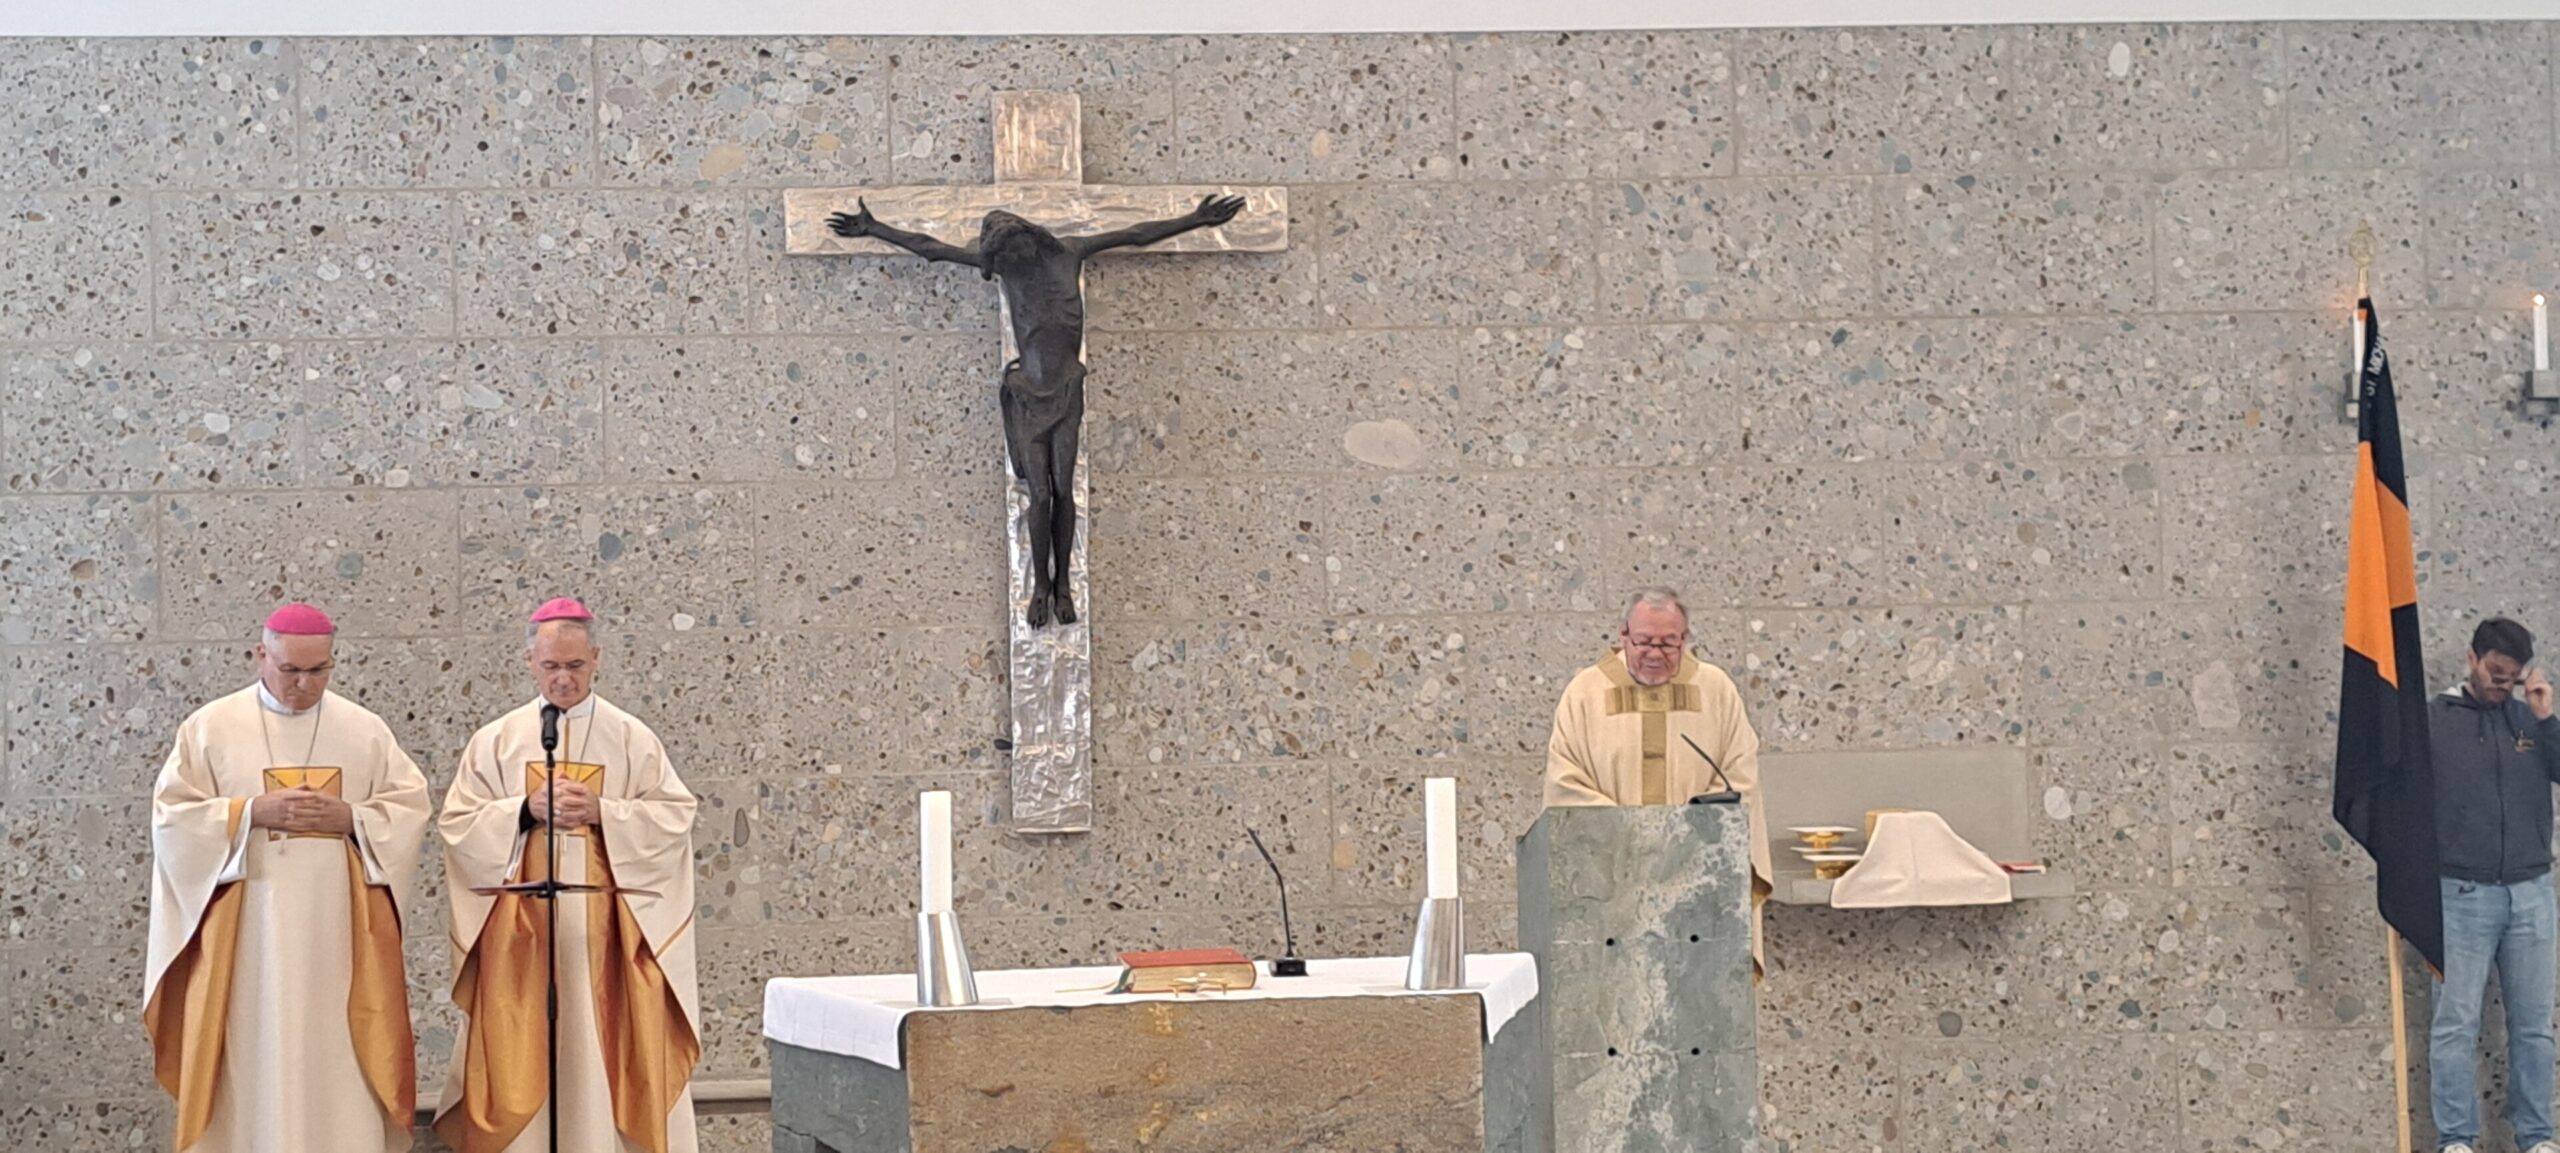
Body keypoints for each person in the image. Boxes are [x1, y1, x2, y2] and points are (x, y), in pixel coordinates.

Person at [143, 602, 430, 1153]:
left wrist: (351, 819)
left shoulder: (363, 729)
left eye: (319, 670)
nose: (304, 684)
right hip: (249, 941)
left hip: (338, 937)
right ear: (261, 656)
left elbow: (409, 808)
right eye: (291, 670)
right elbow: (172, 818)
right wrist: (251, 812)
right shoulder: (211, 727)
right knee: (256, 1047)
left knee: (336, 1053)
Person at [434, 598, 702, 1153]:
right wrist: (523, 810)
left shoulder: (631, 739)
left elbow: (675, 817)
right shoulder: (497, 740)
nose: (563, 678)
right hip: (523, 938)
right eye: (551, 666)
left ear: (596, 658)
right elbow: (458, 825)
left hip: (608, 943)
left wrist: (605, 812)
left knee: (598, 1052)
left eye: (575, 666)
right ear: (529, 661)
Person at [1542, 586, 1772, 968]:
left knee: (1697, 988)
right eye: (1645, 642)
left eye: (1668, 643)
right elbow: (1564, 783)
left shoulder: (1715, 690)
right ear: (1623, 635)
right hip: (1613, 876)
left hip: (1696, 874)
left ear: (1686, 638)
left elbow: (1739, 775)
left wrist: (1683, 831)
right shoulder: (1585, 693)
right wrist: (1630, 829)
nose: (1655, 654)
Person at [2429, 617, 2560, 1153]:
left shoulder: (2529, 718)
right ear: (2472, 659)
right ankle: (2456, 1139)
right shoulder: (2435, 721)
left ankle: (2537, 1137)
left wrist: (2546, 718)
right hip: (2460, 893)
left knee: (2534, 1027)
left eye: (2511, 677)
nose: (2500, 684)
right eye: (2493, 672)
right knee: (2454, 1023)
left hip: (2532, 892)